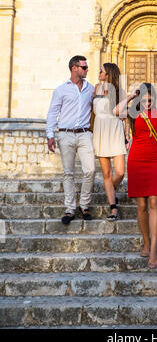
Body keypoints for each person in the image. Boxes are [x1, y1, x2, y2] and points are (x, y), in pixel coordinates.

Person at [46, 55, 96, 225]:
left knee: (90, 170)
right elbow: (53, 112)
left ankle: (84, 205)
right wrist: (50, 135)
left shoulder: (91, 89)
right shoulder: (61, 90)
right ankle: (70, 208)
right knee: (68, 172)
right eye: (84, 67)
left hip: (84, 134)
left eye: (86, 67)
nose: (87, 69)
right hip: (65, 134)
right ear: (74, 68)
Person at [125, 83, 157, 270]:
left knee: (154, 203)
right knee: (141, 205)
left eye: (150, 99)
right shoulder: (132, 114)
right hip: (136, 160)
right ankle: (146, 242)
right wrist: (131, 97)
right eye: (144, 99)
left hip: (155, 160)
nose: (147, 102)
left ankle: (154, 249)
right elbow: (116, 112)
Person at [92, 63, 127, 221]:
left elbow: (124, 115)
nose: (99, 73)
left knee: (120, 172)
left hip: (115, 129)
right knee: (106, 173)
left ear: (109, 74)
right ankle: (113, 209)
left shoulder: (120, 92)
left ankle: (110, 189)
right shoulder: (96, 88)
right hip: (100, 129)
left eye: (102, 71)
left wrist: (127, 137)